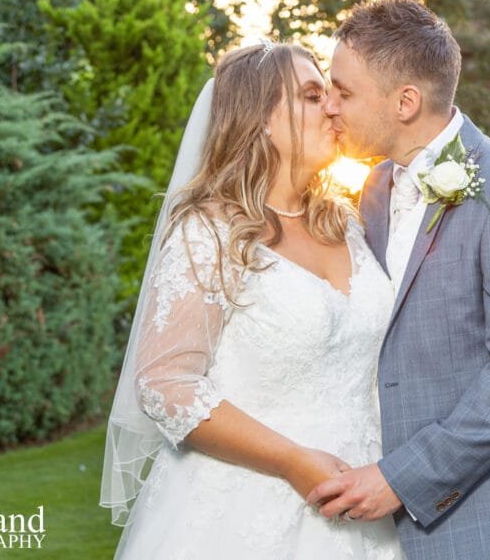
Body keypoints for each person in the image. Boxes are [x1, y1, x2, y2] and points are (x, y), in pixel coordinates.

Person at [100, 41, 403, 559]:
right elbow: (165, 385)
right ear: (260, 118)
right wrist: (290, 460)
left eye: (329, 94)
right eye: (312, 95)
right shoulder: (211, 233)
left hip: (368, 491)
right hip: (244, 504)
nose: (332, 108)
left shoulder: (348, 223)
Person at [310, 0, 490, 558]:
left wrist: (401, 478)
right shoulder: (376, 188)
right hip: (381, 523)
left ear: (405, 101)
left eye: (344, 91)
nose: (329, 107)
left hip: (489, 512)